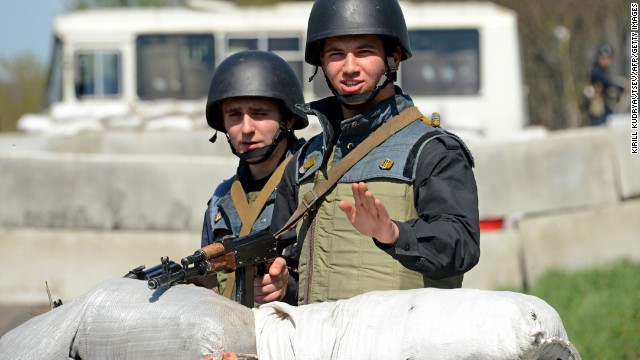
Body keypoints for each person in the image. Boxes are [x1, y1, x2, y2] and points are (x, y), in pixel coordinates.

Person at [260, 0, 480, 305]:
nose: (349, 67)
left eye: (364, 52)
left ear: (395, 58)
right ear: (321, 62)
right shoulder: (303, 162)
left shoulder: (432, 151)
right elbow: (289, 263)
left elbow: (461, 246)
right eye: (336, 54)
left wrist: (392, 234)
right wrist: (282, 285)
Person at [200, 50, 308, 306]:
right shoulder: (221, 201)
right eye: (234, 115)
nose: (246, 128)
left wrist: (288, 288)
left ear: (288, 118)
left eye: (259, 113)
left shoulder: (314, 185)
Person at [584, 43, 628, 126]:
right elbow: (607, 81)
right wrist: (621, 86)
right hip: (598, 110)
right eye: (603, 58)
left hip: (606, 107)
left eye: (608, 58)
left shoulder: (606, 71)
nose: (606, 60)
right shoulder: (595, 70)